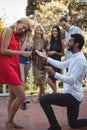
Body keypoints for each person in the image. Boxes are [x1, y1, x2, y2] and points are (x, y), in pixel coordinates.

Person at [35, 34, 87, 130]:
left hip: (73, 96)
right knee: (74, 124)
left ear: (76, 44)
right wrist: (46, 57)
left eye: (70, 41)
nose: (68, 43)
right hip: (73, 95)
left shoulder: (80, 60)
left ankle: (55, 126)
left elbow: (71, 80)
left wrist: (54, 74)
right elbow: (62, 65)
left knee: (44, 99)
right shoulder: (75, 57)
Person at [0, 18, 31, 130]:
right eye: (22, 27)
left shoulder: (17, 36)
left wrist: (27, 35)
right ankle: (9, 123)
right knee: (22, 96)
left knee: (12, 96)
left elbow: (22, 49)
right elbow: (3, 50)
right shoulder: (8, 30)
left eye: (24, 29)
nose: (22, 29)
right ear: (18, 22)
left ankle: (11, 121)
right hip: (7, 65)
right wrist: (22, 52)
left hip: (14, 65)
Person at [32, 25, 48, 101]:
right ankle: (44, 96)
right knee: (38, 78)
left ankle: (40, 97)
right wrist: (35, 51)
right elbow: (29, 50)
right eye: (37, 30)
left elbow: (46, 50)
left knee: (42, 80)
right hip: (35, 62)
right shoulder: (32, 39)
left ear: (42, 32)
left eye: (40, 30)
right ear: (35, 31)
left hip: (42, 62)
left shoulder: (45, 40)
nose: (39, 31)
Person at [46, 25, 64, 93]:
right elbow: (47, 51)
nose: (54, 32)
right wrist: (47, 50)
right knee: (53, 81)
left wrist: (55, 52)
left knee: (48, 80)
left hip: (56, 63)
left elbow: (62, 54)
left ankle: (56, 93)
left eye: (56, 31)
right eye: (53, 31)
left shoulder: (61, 41)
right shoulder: (51, 41)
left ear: (58, 32)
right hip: (50, 63)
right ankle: (55, 95)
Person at [20, 31, 32, 110]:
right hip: (20, 63)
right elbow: (21, 50)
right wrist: (26, 39)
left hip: (28, 63)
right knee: (22, 81)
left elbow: (31, 51)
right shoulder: (20, 40)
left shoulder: (30, 41)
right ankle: (22, 101)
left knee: (24, 81)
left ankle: (20, 97)